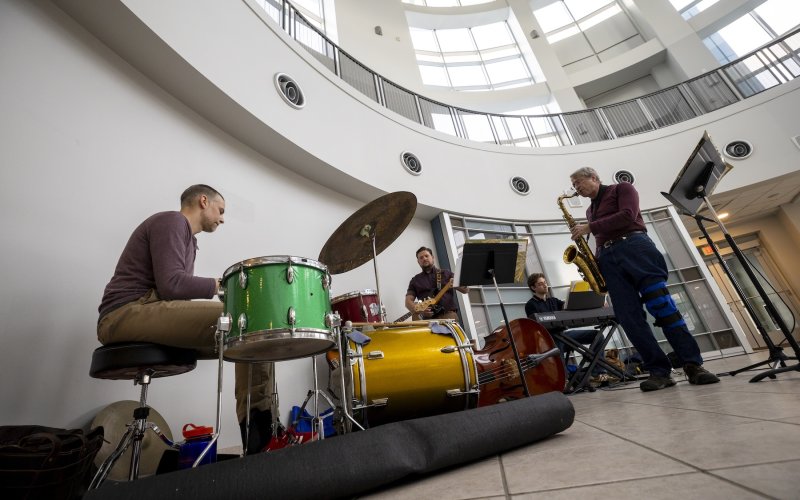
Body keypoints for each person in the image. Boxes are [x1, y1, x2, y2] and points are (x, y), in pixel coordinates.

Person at [97, 184, 274, 453]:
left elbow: (174, 295)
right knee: (248, 320)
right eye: (221, 210)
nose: (222, 218)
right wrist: (222, 286)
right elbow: (171, 285)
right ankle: (261, 444)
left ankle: (261, 438)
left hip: (145, 310)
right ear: (204, 201)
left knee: (253, 335)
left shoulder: (189, 240)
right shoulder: (172, 221)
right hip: (126, 312)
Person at [568, 167, 720, 391]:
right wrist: (595, 266)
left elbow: (628, 215)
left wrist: (590, 227)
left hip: (635, 246)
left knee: (662, 307)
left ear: (593, 177)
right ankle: (659, 371)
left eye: (578, 182)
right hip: (609, 258)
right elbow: (600, 238)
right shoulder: (590, 211)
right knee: (629, 319)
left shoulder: (623, 188)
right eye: (574, 186)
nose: (576, 188)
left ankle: (692, 365)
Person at [525, 273, 599, 369]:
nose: (544, 285)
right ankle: (565, 378)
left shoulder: (553, 300)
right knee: (557, 343)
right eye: (540, 284)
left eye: (545, 282)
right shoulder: (530, 305)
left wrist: (594, 303)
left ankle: (597, 371)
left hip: (564, 335)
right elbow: (536, 328)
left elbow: (568, 306)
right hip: (550, 340)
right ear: (533, 288)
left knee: (598, 336)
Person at [405, 247, 468, 320]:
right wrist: (420, 310)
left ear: (432, 257)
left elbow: (466, 290)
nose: (424, 259)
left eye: (426, 256)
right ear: (418, 262)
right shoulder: (415, 280)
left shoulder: (447, 274)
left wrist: (457, 284)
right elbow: (408, 302)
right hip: (426, 320)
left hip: (448, 316)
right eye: (421, 258)